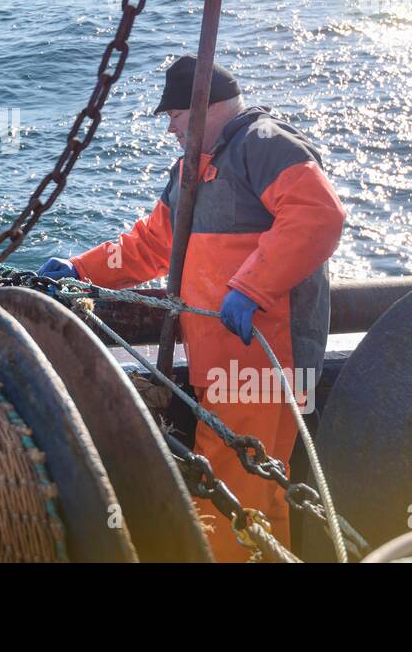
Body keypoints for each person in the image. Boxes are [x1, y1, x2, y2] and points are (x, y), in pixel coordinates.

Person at [39, 55, 345, 561]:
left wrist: (250, 288)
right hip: (223, 364)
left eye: (176, 115)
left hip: (265, 362)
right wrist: (80, 269)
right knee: (255, 490)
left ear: (206, 107)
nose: (172, 127)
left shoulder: (264, 143)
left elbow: (319, 214)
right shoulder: (192, 169)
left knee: (235, 493)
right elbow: (152, 245)